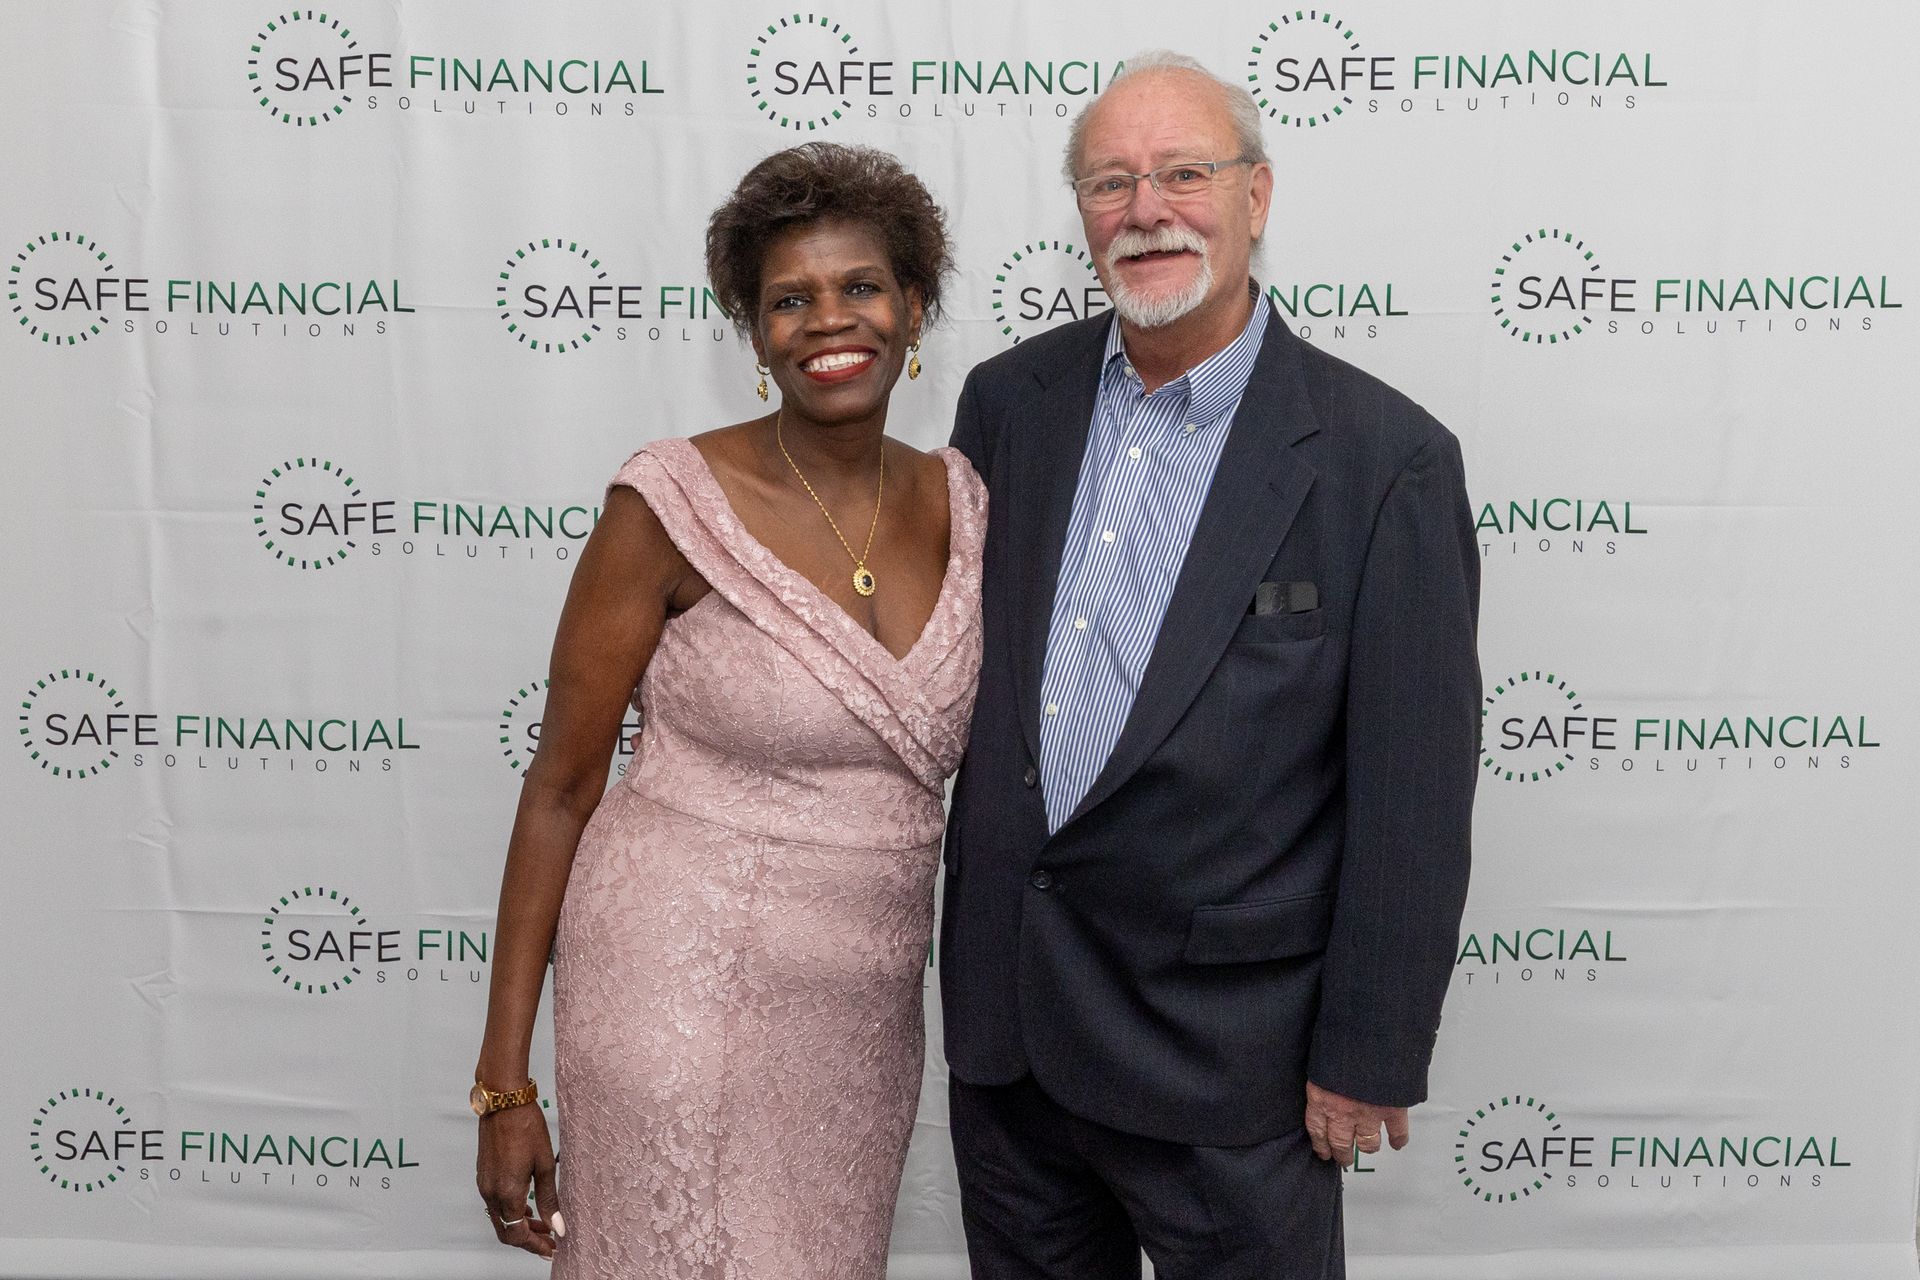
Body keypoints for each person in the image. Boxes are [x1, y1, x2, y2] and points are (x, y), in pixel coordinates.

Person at [939, 51, 1480, 1278]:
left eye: (1185, 173)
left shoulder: (1383, 460)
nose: (1147, 210)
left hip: (1233, 1065)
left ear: (1258, 196)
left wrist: (1371, 1050)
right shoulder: (1005, 404)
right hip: (1012, 1042)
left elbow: (1413, 793)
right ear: (1079, 213)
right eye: (1111, 183)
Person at [470, 142, 984, 1280]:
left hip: (860, 1017)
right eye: (787, 300)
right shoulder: (666, 502)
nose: (827, 320)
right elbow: (558, 787)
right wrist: (504, 1080)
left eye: (860, 286)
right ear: (753, 334)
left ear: (915, 304)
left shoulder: (970, 500)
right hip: (675, 985)